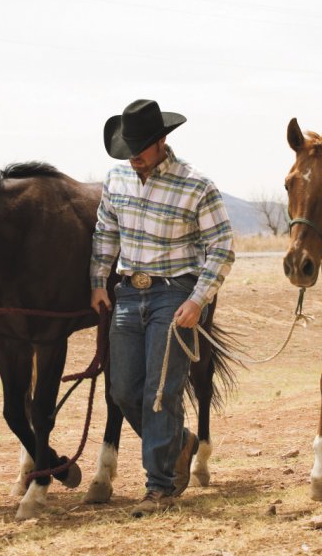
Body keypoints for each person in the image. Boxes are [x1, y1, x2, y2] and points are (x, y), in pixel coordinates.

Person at [90, 98, 235, 517]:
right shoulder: (116, 180)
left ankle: (160, 486)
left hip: (175, 294)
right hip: (127, 294)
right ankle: (181, 441)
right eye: (127, 148)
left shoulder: (196, 185)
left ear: (162, 141)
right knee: (121, 390)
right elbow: (105, 233)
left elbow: (222, 246)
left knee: (160, 393)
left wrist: (197, 300)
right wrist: (98, 282)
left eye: (140, 147)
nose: (132, 157)